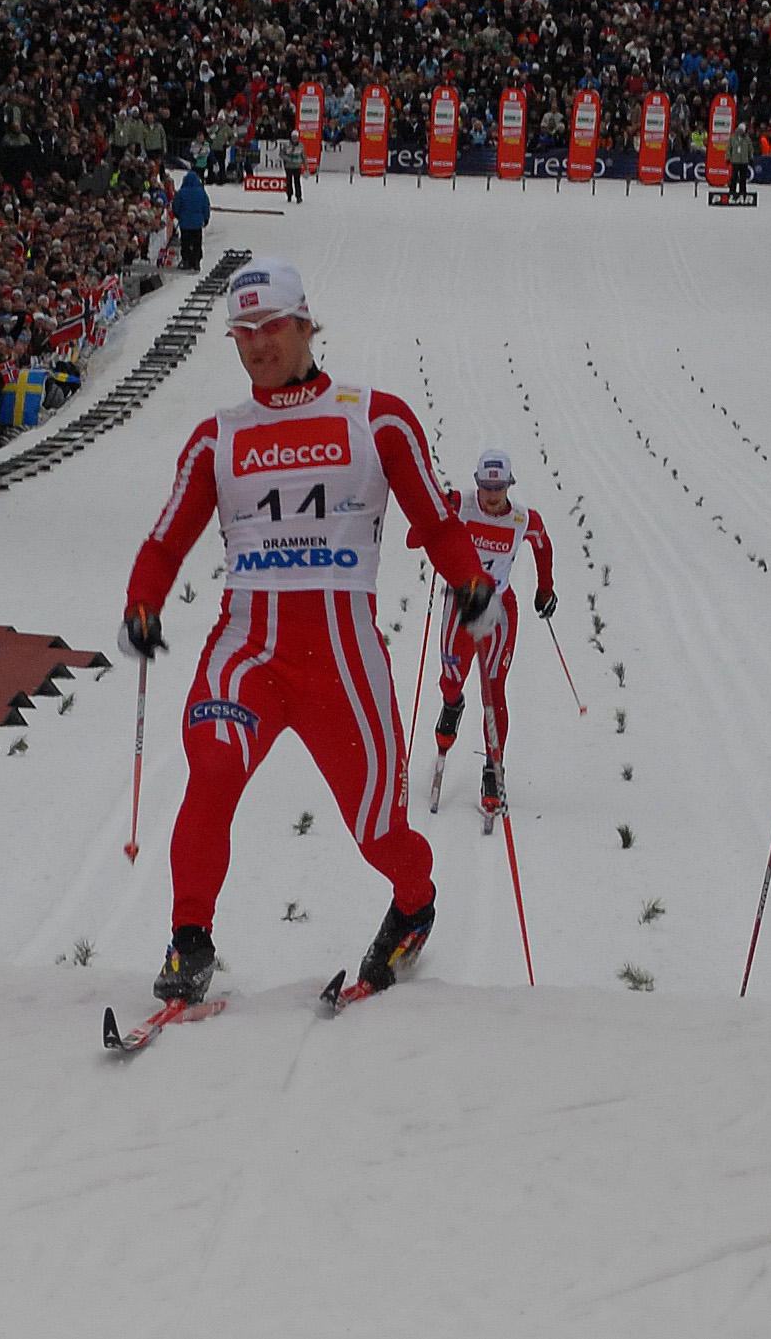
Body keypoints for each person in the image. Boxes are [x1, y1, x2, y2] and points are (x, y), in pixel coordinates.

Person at [122, 256, 495, 1005]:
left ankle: (415, 903)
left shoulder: (375, 416)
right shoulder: (216, 438)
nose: (258, 345)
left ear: (304, 325)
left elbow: (437, 520)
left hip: (342, 657)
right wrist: (143, 602)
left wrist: (470, 584)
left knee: (376, 829)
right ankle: (188, 942)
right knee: (213, 770)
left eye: (270, 328)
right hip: (246, 648)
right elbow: (166, 541)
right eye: (242, 334)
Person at [408, 449, 554, 819]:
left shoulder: (523, 519)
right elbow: (418, 532)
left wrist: (545, 589)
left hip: (500, 609)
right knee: (451, 679)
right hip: (459, 604)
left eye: (499, 486)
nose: (492, 495)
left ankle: (493, 769)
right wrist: (429, 528)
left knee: (494, 687)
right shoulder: (459, 505)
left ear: (509, 485)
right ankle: (452, 705)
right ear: (477, 484)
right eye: (486, 486)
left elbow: (543, 544)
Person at [173, 168, 211, 270]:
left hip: (185, 223)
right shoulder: (202, 192)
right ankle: (196, 261)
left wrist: (178, 215)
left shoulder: (182, 192)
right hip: (197, 223)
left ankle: (187, 260)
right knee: (197, 242)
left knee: (185, 242)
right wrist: (206, 218)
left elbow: (176, 206)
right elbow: (206, 206)